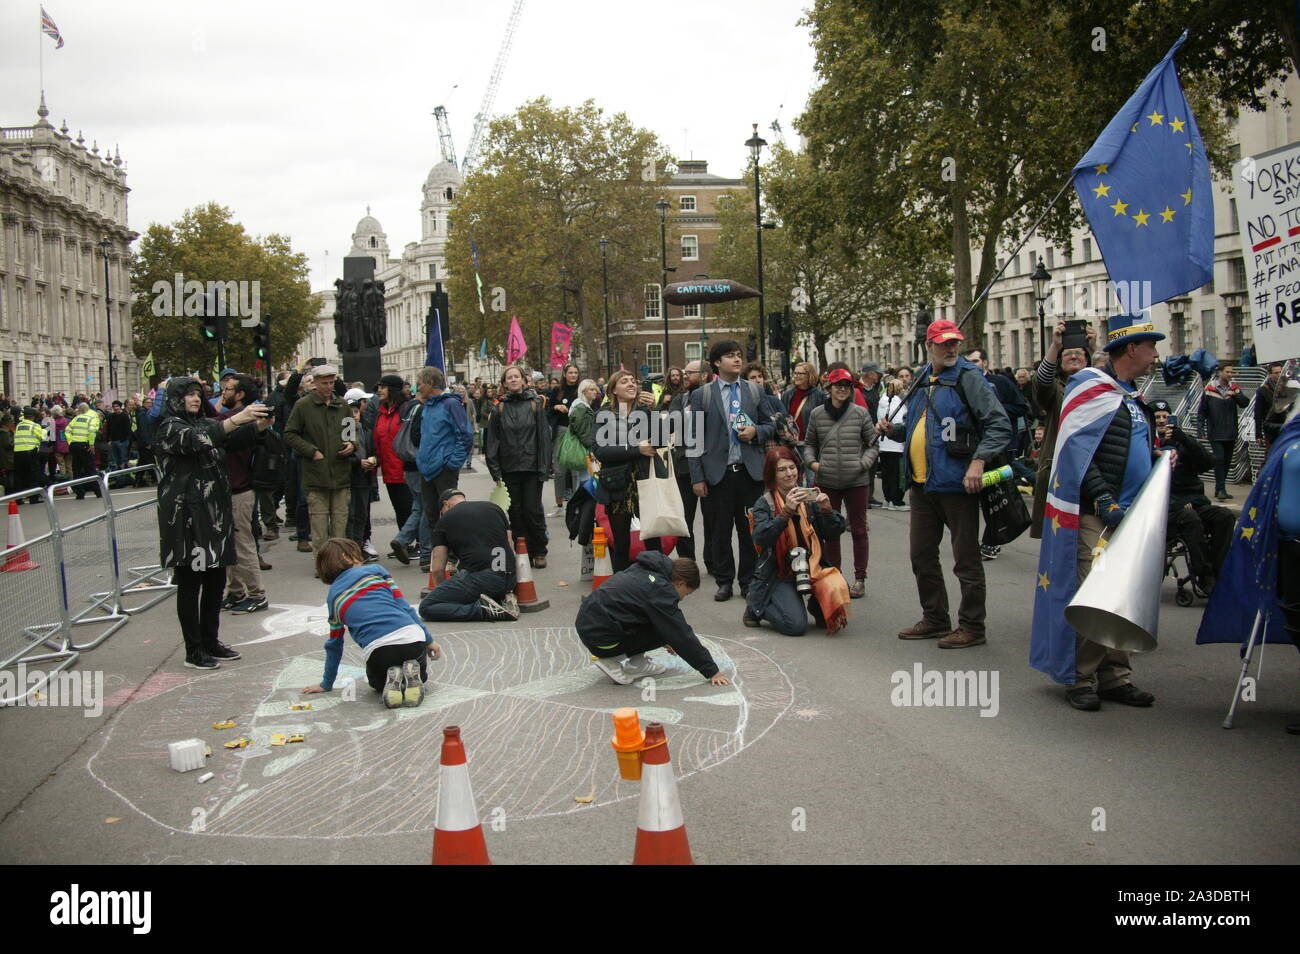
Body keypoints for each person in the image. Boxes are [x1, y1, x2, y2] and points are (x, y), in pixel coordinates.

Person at [1030, 313, 1164, 711]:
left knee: (1122, 595)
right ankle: (1080, 677)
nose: (1156, 354)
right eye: (1152, 346)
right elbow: (1077, 455)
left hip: (1130, 516)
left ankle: (1115, 675)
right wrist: (1105, 499)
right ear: (1131, 349)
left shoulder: (1132, 397)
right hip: (1095, 513)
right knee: (1093, 594)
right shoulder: (1091, 388)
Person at [876, 319, 1011, 649]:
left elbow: (999, 425)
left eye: (954, 343)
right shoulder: (924, 377)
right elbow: (920, 426)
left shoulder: (969, 378)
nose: (950, 348)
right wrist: (892, 431)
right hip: (922, 484)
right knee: (921, 555)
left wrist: (978, 462)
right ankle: (935, 617)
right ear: (929, 346)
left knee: (966, 559)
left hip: (958, 484)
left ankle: (972, 626)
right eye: (943, 343)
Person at [154, 376, 269, 669]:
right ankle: (194, 650)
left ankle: (210, 641)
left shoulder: (203, 422)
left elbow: (229, 438)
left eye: (198, 394)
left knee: (216, 583)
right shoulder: (170, 427)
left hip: (214, 518)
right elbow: (204, 439)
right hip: (188, 522)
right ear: (176, 399)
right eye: (189, 395)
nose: (195, 399)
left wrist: (259, 424)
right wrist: (239, 417)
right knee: (191, 585)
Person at [302, 537, 441, 709]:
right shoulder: (377, 571)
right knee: (421, 675)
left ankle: (391, 678)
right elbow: (404, 607)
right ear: (347, 557)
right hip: (412, 639)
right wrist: (429, 640)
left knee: (376, 682)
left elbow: (335, 645)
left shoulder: (333, 598)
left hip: (379, 649)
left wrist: (326, 683)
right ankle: (413, 675)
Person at [687, 340, 775, 602]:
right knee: (720, 531)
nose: (737, 360)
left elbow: (771, 425)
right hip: (718, 473)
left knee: (749, 531)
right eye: (730, 356)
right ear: (717, 362)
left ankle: (747, 581)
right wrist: (697, 477)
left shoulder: (754, 392)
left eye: (739, 355)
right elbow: (692, 439)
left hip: (749, 473)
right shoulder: (701, 395)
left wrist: (756, 431)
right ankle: (724, 581)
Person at [575, 553, 731, 686]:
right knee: (668, 629)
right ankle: (611, 660)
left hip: (590, 624)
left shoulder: (647, 569)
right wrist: (712, 671)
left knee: (660, 623)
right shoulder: (660, 591)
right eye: (687, 593)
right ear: (680, 583)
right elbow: (681, 634)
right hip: (602, 639)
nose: (683, 598)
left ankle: (638, 664)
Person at [745, 447, 850, 634]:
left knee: (838, 585)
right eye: (781, 470)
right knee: (795, 626)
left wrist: (827, 511)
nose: (789, 474)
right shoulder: (765, 503)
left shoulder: (808, 497)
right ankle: (756, 606)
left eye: (792, 467)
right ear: (772, 474)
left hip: (811, 565)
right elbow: (761, 538)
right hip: (779, 572)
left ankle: (816, 608)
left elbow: (833, 533)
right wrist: (785, 513)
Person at [803, 368, 878, 598]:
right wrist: (814, 464)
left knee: (858, 530)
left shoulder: (861, 414)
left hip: (856, 481)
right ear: (829, 388)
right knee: (830, 531)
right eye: (838, 385)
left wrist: (862, 464)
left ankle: (859, 578)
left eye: (847, 385)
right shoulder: (816, 414)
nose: (842, 389)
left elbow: (872, 444)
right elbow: (809, 444)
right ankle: (835, 575)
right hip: (827, 481)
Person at [1153, 401, 1236, 594]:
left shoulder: (1182, 441)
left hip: (1194, 502)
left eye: (1166, 416)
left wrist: (1185, 439)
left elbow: (1208, 462)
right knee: (1190, 518)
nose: (1162, 421)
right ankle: (1204, 575)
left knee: (1224, 516)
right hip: (1167, 510)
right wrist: (1178, 504)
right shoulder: (1147, 442)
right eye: (1157, 417)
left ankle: (1219, 572)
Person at [1030, 321, 1098, 540]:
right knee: (1058, 540)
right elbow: (1042, 384)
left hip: (1093, 469)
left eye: (1079, 353)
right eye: (1068, 354)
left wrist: (1095, 347)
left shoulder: (1098, 384)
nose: (1074, 356)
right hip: (1058, 471)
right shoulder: (1056, 388)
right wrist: (1054, 346)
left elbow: (1112, 379)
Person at [593, 369, 662, 572]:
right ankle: (621, 589)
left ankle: (656, 584)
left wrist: (655, 409)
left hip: (645, 482)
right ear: (613, 390)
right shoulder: (603, 415)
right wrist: (636, 449)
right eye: (624, 382)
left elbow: (660, 439)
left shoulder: (645, 412)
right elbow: (601, 451)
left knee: (653, 541)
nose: (632, 384)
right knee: (621, 544)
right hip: (618, 486)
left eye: (633, 381)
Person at [418, 489, 520, 622]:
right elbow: (509, 545)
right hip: (510, 578)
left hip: (483, 579)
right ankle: (500, 596)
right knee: (467, 574)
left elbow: (437, 569)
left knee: (427, 607)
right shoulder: (494, 508)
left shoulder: (444, 521)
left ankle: (482, 610)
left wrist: (445, 593)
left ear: (446, 504)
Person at [485, 365, 552, 568]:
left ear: (524, 381)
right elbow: (492, 442)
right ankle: (521, 549)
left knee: (533, 510)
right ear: (504, 383)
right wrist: (495, 471)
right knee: (515, 511)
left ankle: (539, 550)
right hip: (509, 468)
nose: (513, 380)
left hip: (532, 468)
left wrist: (544, 467)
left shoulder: (535, 405)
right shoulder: (498, 408)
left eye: (517, 377)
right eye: (509, 377)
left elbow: (544, 438)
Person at [284, 364, 353, 555]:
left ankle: (338, 561)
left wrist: (351, 444)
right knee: (319, 526)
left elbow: (350, 431)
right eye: (324, 383)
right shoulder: (303, 406)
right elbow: (290, 434)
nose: (329, 387)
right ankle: (322, 564)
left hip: (340, 474)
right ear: (314, 383)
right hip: (316, 476)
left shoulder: (342, 405)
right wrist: (311, 451)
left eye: (331, 382)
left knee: (340, 525)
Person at [217, 374, 271, 614]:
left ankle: (257, 594)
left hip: (240, 489)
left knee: (243, 544)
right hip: (231, 488)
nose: (222, 393)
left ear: (239, 395)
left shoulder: (237, 420)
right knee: (229, 545)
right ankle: (236, 591)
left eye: (227, 390)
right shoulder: (231, 418)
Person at [415, 366, 474, 560]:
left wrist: (452, 463)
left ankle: (455, 554)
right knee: (431, 515)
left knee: (450, 514)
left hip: (443, 470)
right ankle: (438, 555)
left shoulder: (451, 405)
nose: (418, 388)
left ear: (430, 383)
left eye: (420, 384)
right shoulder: (427, 406)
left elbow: (465, 435)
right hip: (427, 469)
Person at [667, 362, 710, 568]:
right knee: (684, 519)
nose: (684, 376)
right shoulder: (680, 399)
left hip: (711, 466)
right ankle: (688, 563)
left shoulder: (714, 398)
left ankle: (714, 562)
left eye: (689, 373)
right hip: (684, 465)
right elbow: (671, 427)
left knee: (715, 520)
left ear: (704, 375)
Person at [1199, 364, 1248, 500]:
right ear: (1220, 373)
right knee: (1219, 459)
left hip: (1230, 432)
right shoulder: (1210, 390)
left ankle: (1221, 488)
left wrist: (1235, 394)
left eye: (1232, 372)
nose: (1230, 374)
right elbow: (1202, 410)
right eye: (1227, 372)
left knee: (1226, 461)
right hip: (1215, 431)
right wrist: (1200, 428)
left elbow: (1244, 403)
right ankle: (1220, 489)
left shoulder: (1234, 388)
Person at [344, 388, 379, 557]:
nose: (355, 416)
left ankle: (358, 547)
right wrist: (359, 462)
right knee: (350, 516)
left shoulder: (365, 429)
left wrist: (373, 460)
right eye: (351, 413)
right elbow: (343, 456)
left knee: (361, 515)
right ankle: (351, 549)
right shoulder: (347, 430)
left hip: (364, 478)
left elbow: (372, 450)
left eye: (357, 412)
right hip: (350, 479)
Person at [547, 363, 582, 516]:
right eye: (571, 373)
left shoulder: (581, 390)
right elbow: (547, 411)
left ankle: (576, 504)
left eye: (576, 373)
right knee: (560, 470)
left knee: (575, 470)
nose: (573, 375)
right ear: (564, 374)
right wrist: (556, 407)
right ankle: (559, 505)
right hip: (561, 431)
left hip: (577, 432)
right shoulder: (556, 391)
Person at [877, 378, 909, 511]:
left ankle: (888, 498)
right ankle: (896, 500)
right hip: (896, 445)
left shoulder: (882, 401)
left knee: (887, 473)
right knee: (897, 474)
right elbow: (901, 421)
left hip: (884, 444)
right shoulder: (898, 402)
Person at [780, 362, 826, 445]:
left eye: (800, 374)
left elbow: (823, 421)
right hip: (790, 443)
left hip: (810, 443)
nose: (796, 376)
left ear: (809, 375)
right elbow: (782, 417)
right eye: (795, 373)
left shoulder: (819, 396)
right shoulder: (787, 394)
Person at [65, 401, 103, 499]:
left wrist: (71, 442)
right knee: (90, 469)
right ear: (88, 409)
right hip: (85, 445)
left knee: (76, 470)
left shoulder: (76, 418)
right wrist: (91, 444)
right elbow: (91, 431)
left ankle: (79, 493)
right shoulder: (91, 418)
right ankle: (98, 492)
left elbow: (67, 430)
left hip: (74, 445)